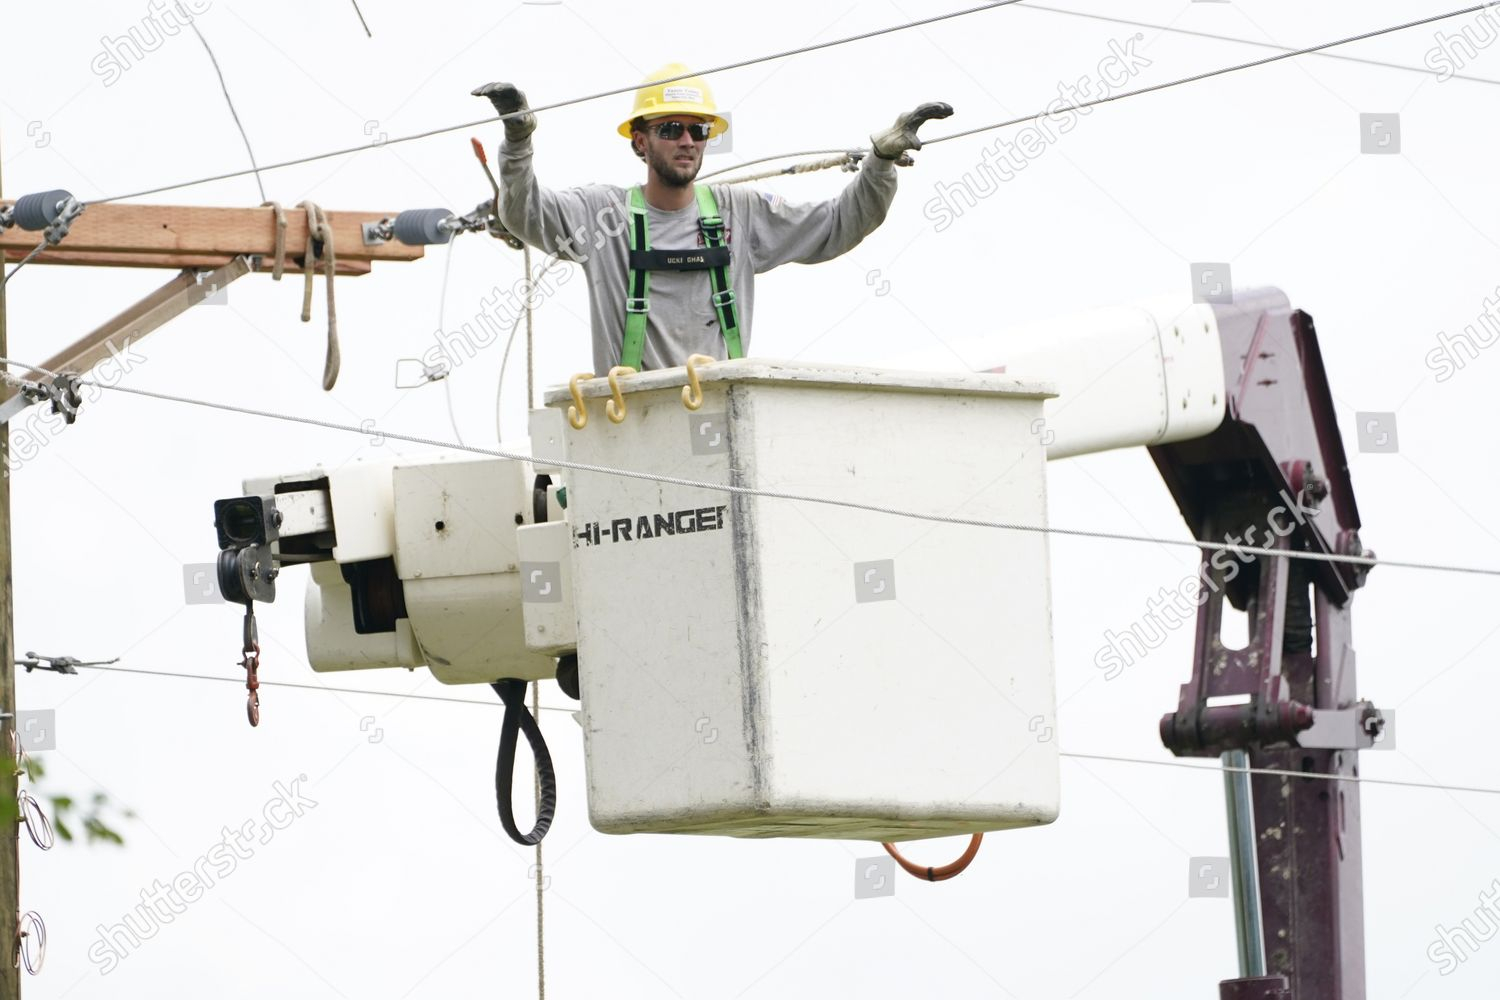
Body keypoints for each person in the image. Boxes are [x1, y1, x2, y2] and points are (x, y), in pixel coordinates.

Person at [472, 65, 951, 372]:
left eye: (699, 130)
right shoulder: (603, 216)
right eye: (671, 129)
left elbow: (838, 225)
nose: (688, 141)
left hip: (720, 422)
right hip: (631, 424)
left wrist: (880, 162)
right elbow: (522, 211)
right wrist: (518, 139)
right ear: (640, 142)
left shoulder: (738, 213)